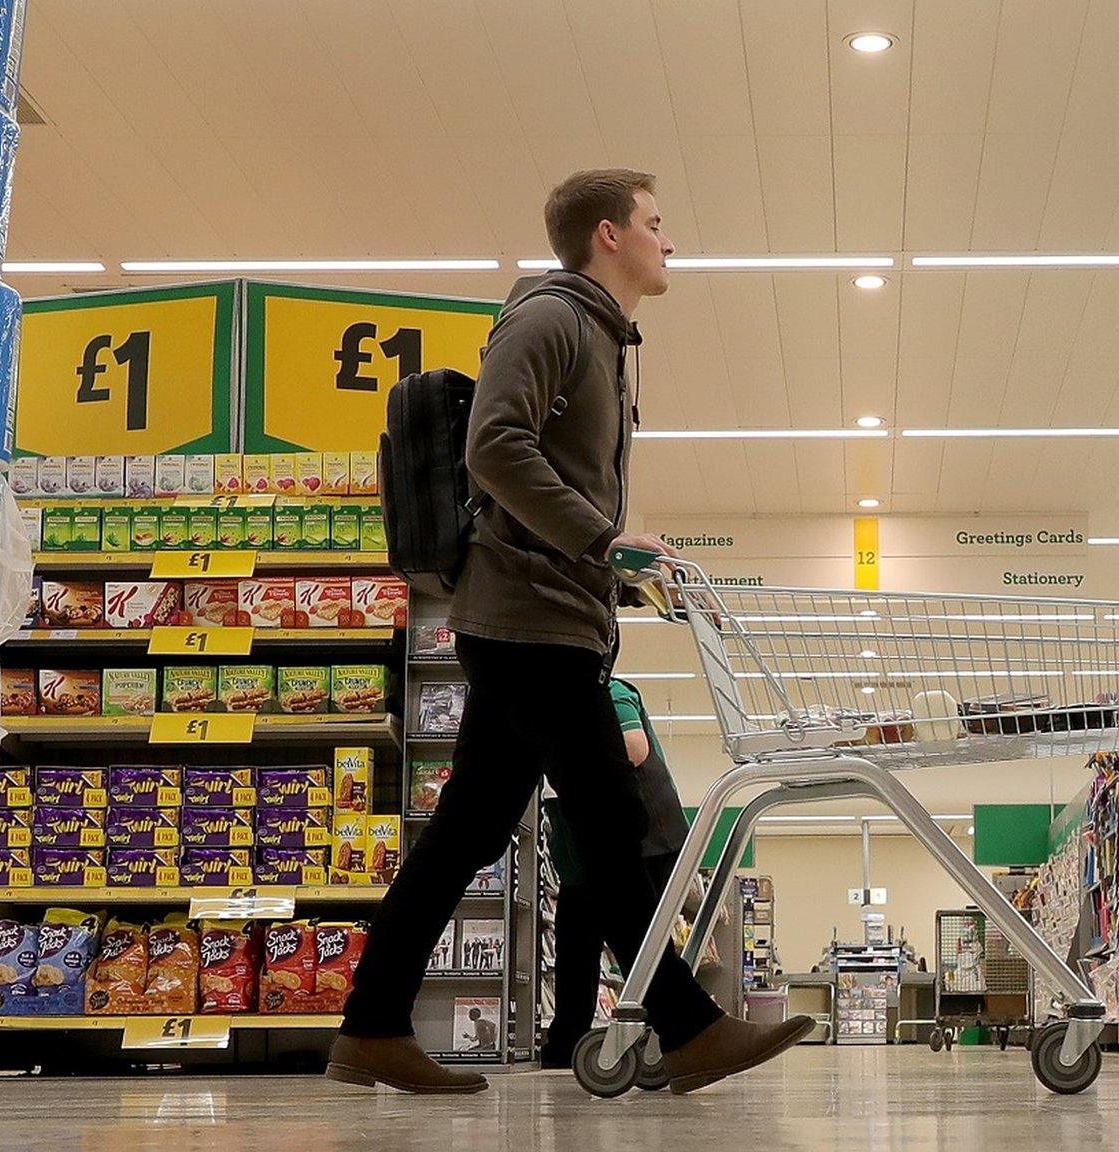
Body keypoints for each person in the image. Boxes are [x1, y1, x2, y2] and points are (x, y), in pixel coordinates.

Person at [327, 169, 812, 1096]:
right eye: (657, 225)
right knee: (611, 816)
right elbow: (495, 447)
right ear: (608, 235)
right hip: (527, 621)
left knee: (470, 827)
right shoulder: (550, 319)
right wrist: (600, 536)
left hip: (546, 613)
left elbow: (545, 473)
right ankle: (686, 1026)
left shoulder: (600, 334)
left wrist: (614, 561)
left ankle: (372, 1026)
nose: (671, 243)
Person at [540, 676, 693, 1069]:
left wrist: (562, 758)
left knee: (634, 943)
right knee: (578, 942)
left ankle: (671, 1031)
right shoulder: (550, 707)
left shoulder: (612, 692)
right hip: (587, 844)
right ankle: (567, 1043)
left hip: (643, 843)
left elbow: (634, 747)